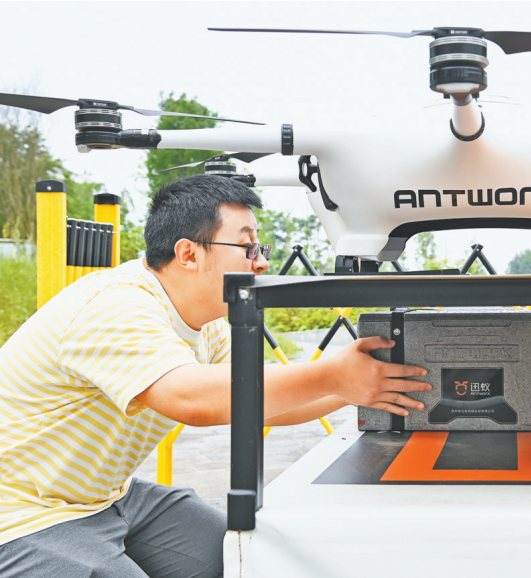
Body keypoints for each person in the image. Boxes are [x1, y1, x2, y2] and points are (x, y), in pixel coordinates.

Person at [0, 175, 429, 577]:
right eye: (248, 248)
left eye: (260, 248)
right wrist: (333, 375)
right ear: (188, 254)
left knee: (240, 558)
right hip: (23, 512)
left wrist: (366, 384)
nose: (260, 263)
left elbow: (257, 402)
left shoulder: (209, 322)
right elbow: (191, 400)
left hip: (109, 497)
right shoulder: (118, 306)